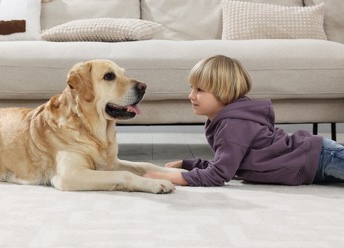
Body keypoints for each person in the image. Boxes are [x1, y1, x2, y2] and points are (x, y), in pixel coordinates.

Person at [143, 55, 344, 187]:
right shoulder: (226, 122)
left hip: (321, 157)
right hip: (312, 164)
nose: (191, 96)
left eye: (200, 90)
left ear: (223, 93)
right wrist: (189, 163)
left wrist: (170, 178)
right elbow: (229, 163)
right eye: (192, 88)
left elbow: (218, 175)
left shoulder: (233, 125)